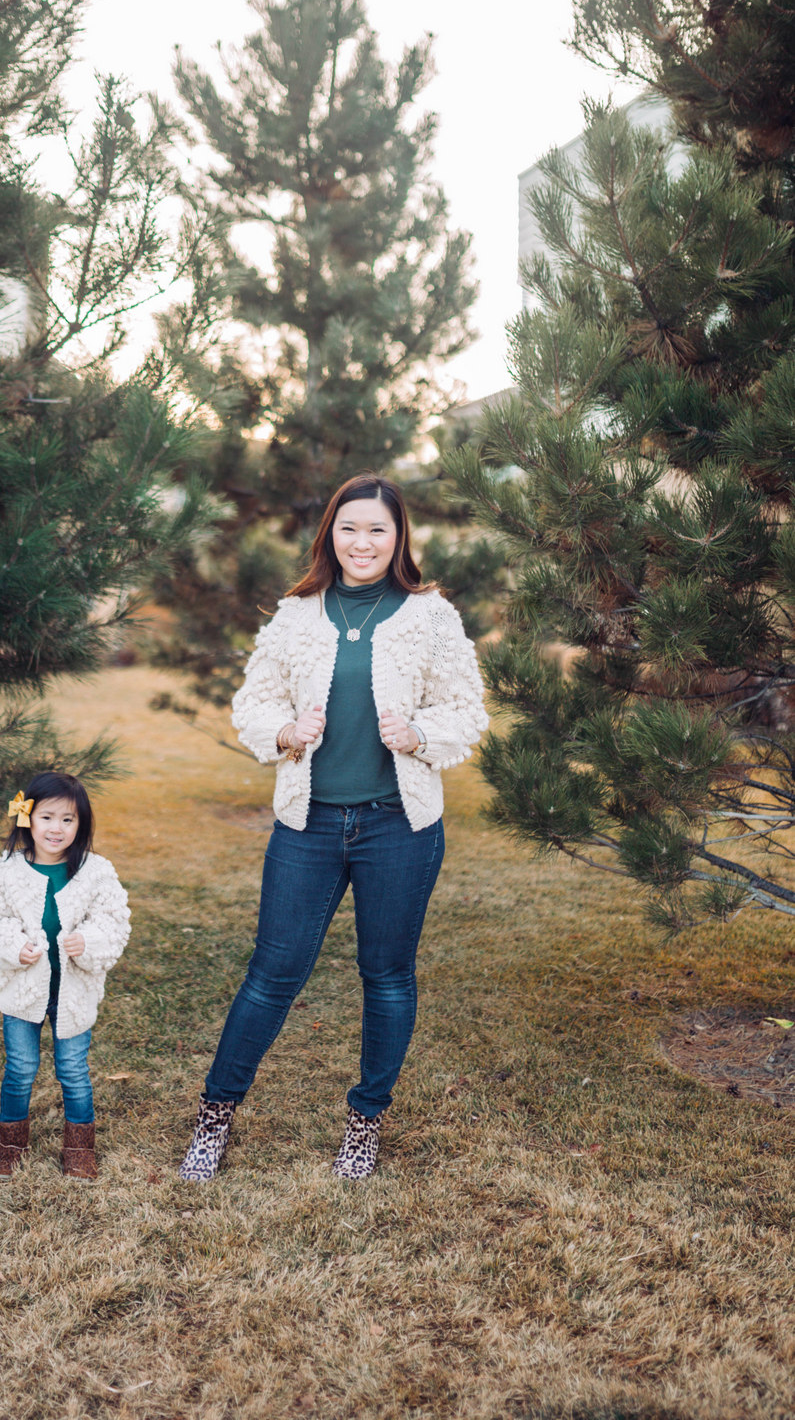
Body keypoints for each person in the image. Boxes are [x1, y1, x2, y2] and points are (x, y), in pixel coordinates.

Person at [178, 474, 488, 1183]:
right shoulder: (295, 616)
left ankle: (363, 1122)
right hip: (308, 824)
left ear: (398, 537)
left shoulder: (429, 616)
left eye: (377, 530)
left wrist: (417, 733)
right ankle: (214, 1117)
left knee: (386, 977)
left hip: (397, 828)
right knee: (272, 974)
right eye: (349, 528)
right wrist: (284, 729)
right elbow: (253, 701)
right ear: (330, 534)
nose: (362, 542)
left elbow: (466, 711)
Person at [0, 771, 131, 1180]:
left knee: (73, 1069)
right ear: (28, 819)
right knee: (20, 1067)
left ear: (82, 825)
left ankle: (79, 1146)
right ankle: (10, 1142)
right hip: (23, 990)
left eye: (68, 820)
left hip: (73, 990)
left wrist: (88, 941)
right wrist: (13, 947)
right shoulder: (7, 871)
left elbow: (114, 922)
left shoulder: (95, 872)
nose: (56, 829)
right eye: (47, 817)